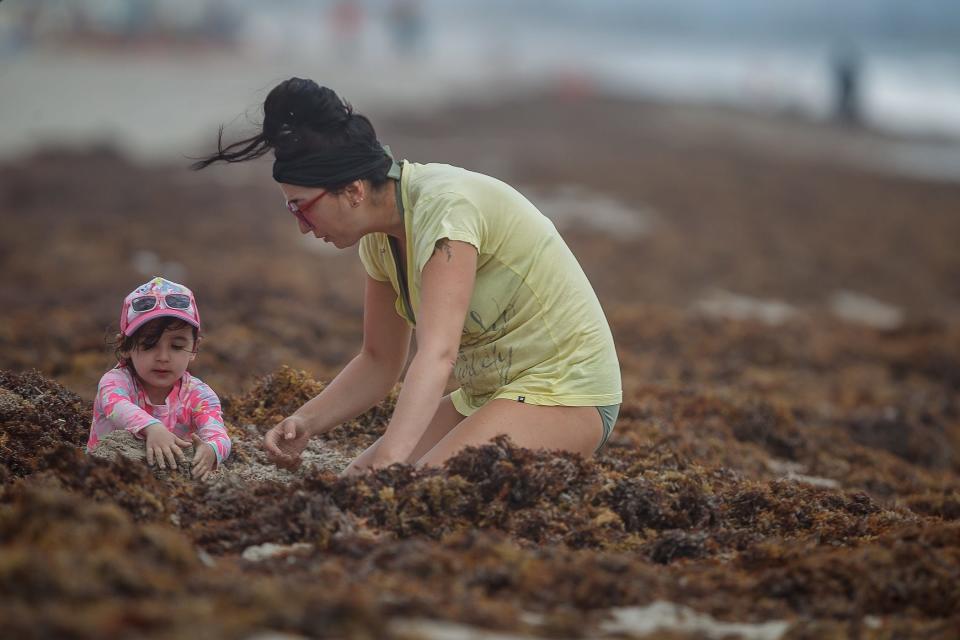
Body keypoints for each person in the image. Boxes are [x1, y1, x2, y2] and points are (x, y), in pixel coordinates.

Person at [192, 78, 621, 474]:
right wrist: (307, 420)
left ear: (354, 190)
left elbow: (437, 354)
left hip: (568, 392)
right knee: (354, 481)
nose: (302, 224)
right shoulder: (378, 241)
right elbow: (379, 361)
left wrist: (392, 461)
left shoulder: (445, 211)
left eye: (301, 206)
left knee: (420, 485)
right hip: (488, 396)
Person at [87, 277, 231, 480]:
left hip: (170, 484)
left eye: (177, 346)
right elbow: (117, 406)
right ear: (125, 346)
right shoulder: (115, 382)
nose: (163, 357)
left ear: (194, 348)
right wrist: (152, 428)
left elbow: (218, 433)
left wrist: (211, 451)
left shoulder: (200, 395)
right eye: (149, 344)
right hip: (107, 478)